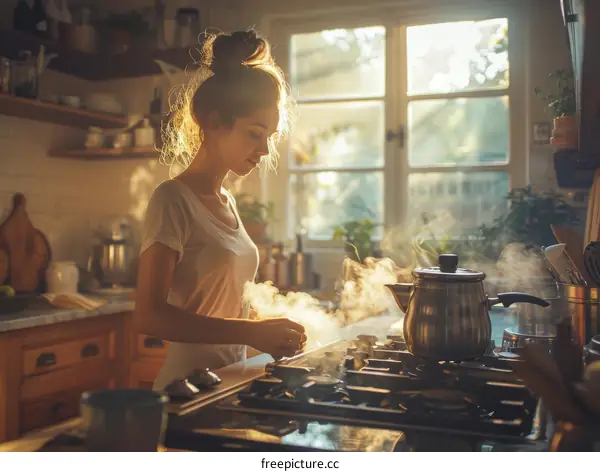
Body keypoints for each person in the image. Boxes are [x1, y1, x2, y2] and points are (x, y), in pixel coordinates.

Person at [134, 29, 306, 391]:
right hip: (187, 388)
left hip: (230, 383)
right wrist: (252, 332)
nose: (263, 150)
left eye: (269, 137)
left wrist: (270, 329)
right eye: (254, 133)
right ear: (212, 122)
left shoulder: (228, 201)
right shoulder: (173, 199)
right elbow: (149, 316)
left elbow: (222, 306)